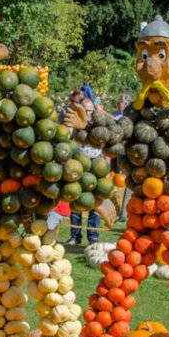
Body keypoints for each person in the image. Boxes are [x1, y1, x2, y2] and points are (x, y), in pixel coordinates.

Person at [67, 97, 103, 246]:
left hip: (96, 165)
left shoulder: (99, 126)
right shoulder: (73, 125)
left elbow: (106, 148)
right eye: (85, 110)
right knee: (76, 201)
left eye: (90, 110)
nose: (87, 114)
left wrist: (106, 169)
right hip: (79, 165)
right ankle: (75, 236)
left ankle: (93, 236)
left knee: (95, 202)